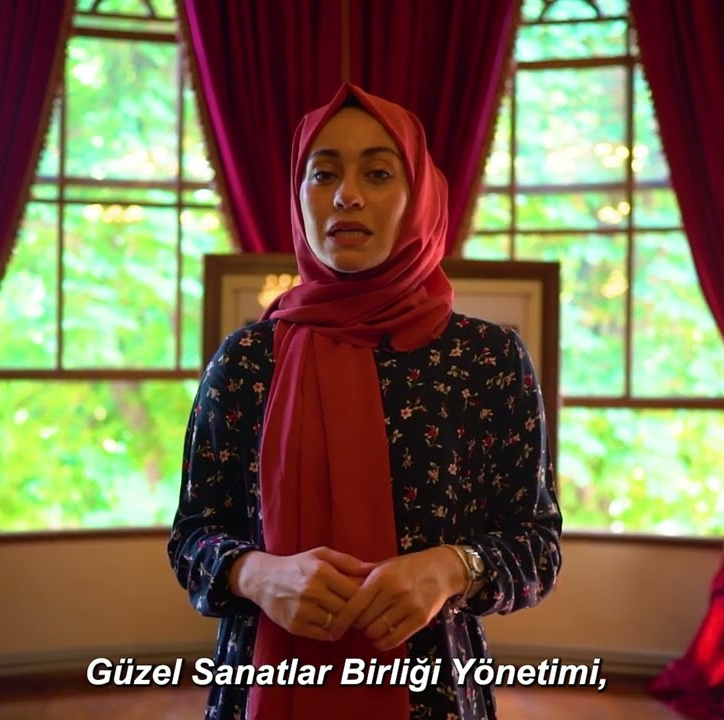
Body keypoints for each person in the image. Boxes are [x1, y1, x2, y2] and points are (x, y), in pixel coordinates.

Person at [167, 82, 563, 720]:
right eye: (323, 174)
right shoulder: (247, 360)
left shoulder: (485, 359)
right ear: (299, 196)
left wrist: (451, 568)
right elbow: (192, 538)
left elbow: (536, 547)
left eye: (377, 173)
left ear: (419, 197)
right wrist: (257, 574)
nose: (346, 195)